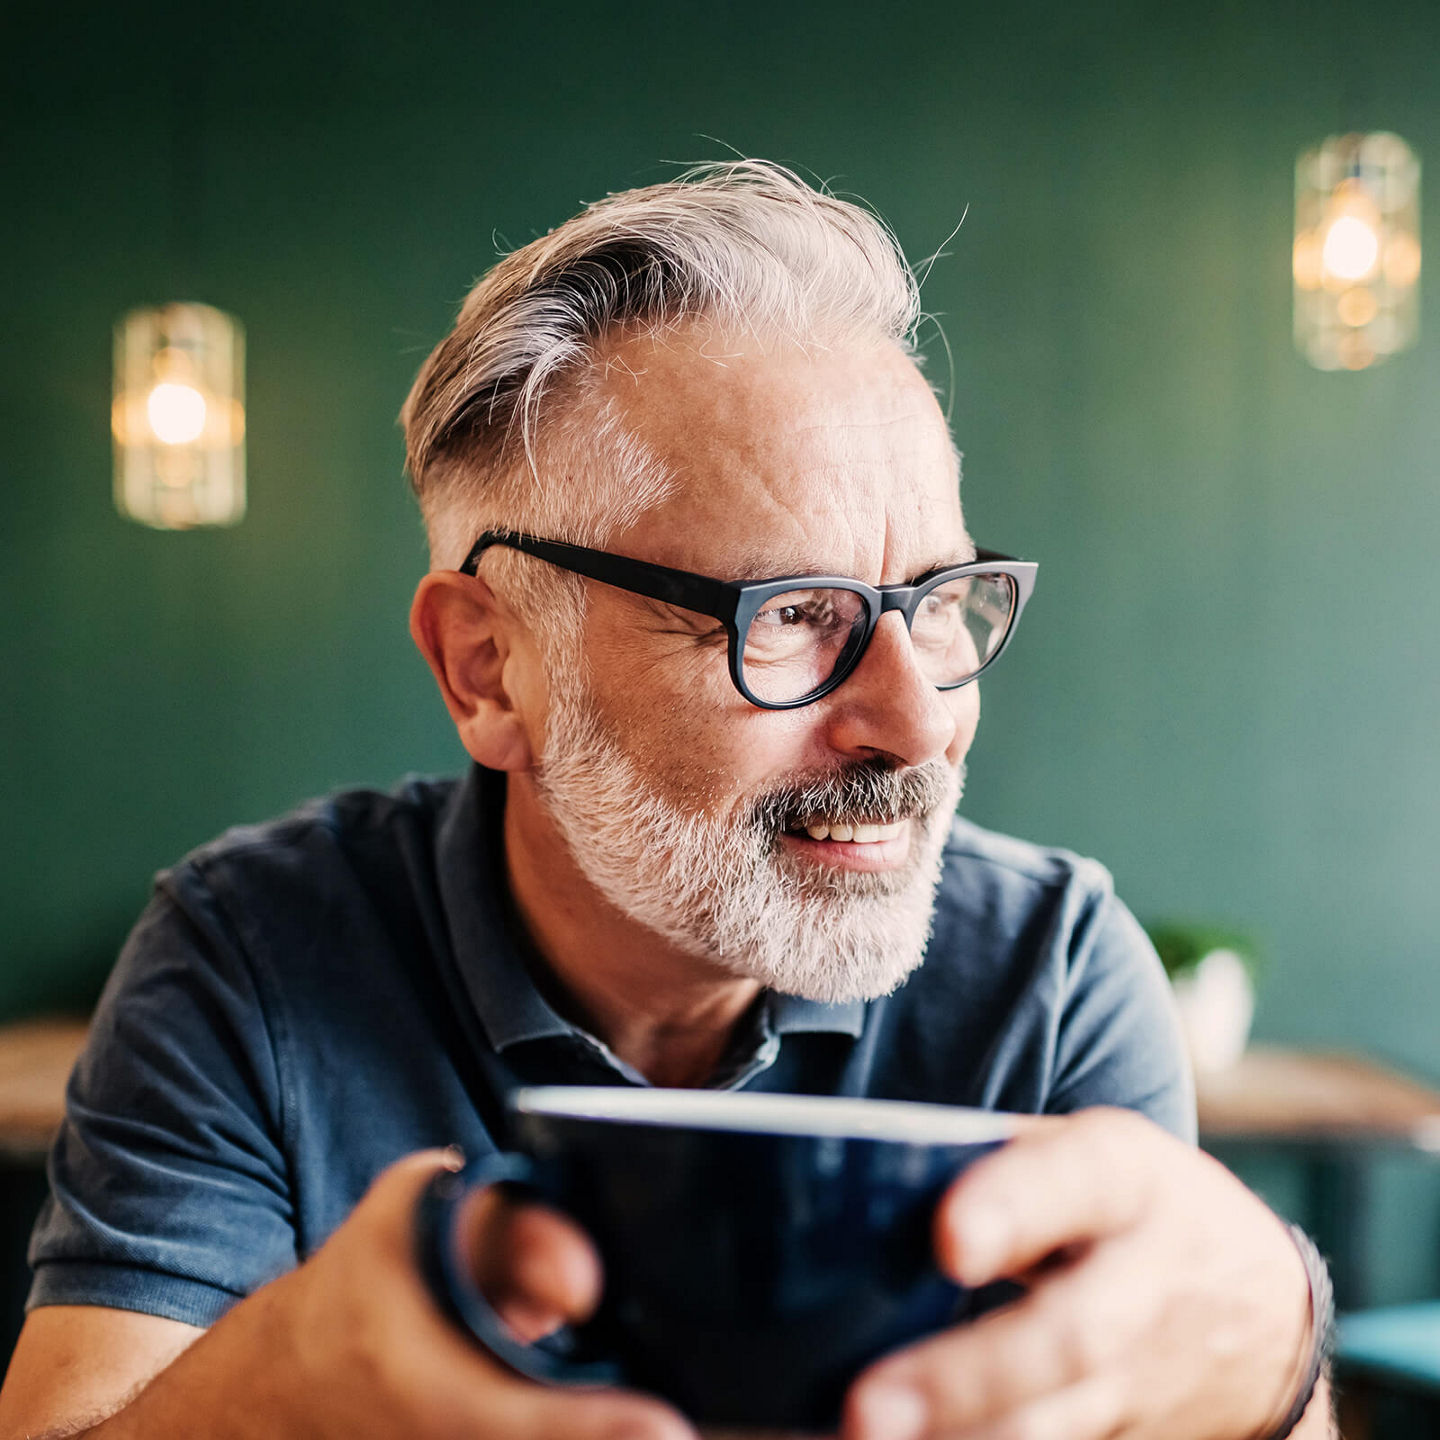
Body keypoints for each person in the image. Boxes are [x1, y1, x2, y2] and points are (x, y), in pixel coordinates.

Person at [0, 161, 1333, 1439]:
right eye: (792, 617)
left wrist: (1271, 1360)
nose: (919, 718)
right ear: (490, 669)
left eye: (934, 602)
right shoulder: (251, 953)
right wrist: (283, 1390)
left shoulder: (1046, 975)